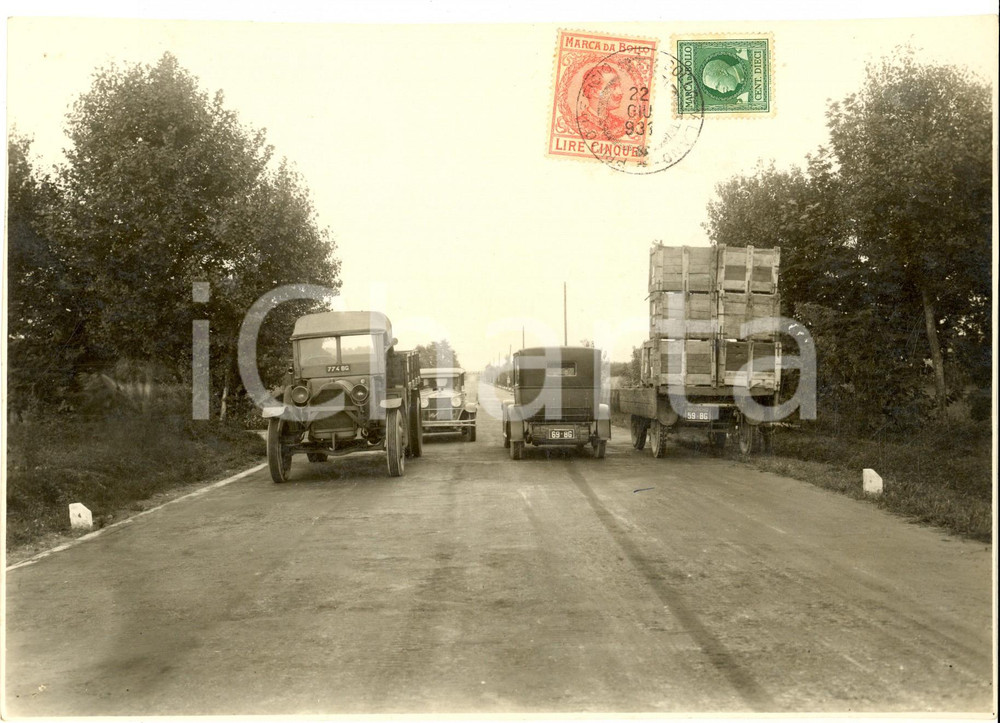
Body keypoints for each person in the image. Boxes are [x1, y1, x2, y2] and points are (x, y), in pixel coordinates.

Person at [576, 63, 627, 141]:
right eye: (613, 87)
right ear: (594, 92)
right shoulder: (577, 125)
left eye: (619, 86)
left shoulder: (621, 124)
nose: (620, 92)